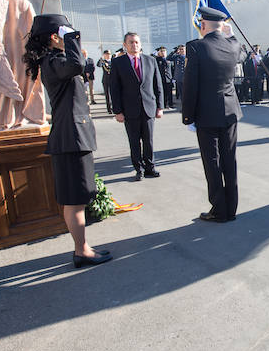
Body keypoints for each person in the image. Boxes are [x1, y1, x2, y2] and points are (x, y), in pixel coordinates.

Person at [22, 14, 110, 267]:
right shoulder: (53, 60)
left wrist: (70, 38)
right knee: (75, 199)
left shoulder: (52, 60)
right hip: (70, 138)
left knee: (77, 198)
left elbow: (79, 65)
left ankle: (82, 247)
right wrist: (71, 37)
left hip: (72, 136)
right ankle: (81, 250)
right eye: (64, 33)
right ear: (54, 37)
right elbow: (75, 66)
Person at [182, 7, 243, 222]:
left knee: (213, 163)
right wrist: (230, 33)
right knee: (229, 161)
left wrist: (188, 117)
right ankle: (232, 209)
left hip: (207, 114)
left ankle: (219, 210)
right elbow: (237, 45)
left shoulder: (196, 47)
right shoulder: (233, 46)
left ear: (203, 25)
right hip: (230, 112)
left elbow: (190, 85)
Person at [110, 32, 164, 181]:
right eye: (131, 42)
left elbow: (157, 85)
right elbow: (114, 89)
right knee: (134, 141)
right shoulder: (118, 63)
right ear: (125, 45)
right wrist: (118, 111)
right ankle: (138, 169)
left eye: (137, 42)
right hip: (129, 110)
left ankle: (150, 168)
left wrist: (160, 107)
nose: (135, 45)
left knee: (149, 140)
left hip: (148, 107)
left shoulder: (150, 60)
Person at [97, 50, 113, 114]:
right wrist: (101, 59)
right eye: (106, 54)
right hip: (105, 80)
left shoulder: (113, 61)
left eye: (109, 54)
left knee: (113, 95)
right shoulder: (103, 61)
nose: (108, 55)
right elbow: (98, 65)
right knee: (107, 95)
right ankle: (109, 109)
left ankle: (114, 107)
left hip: (112, 80)